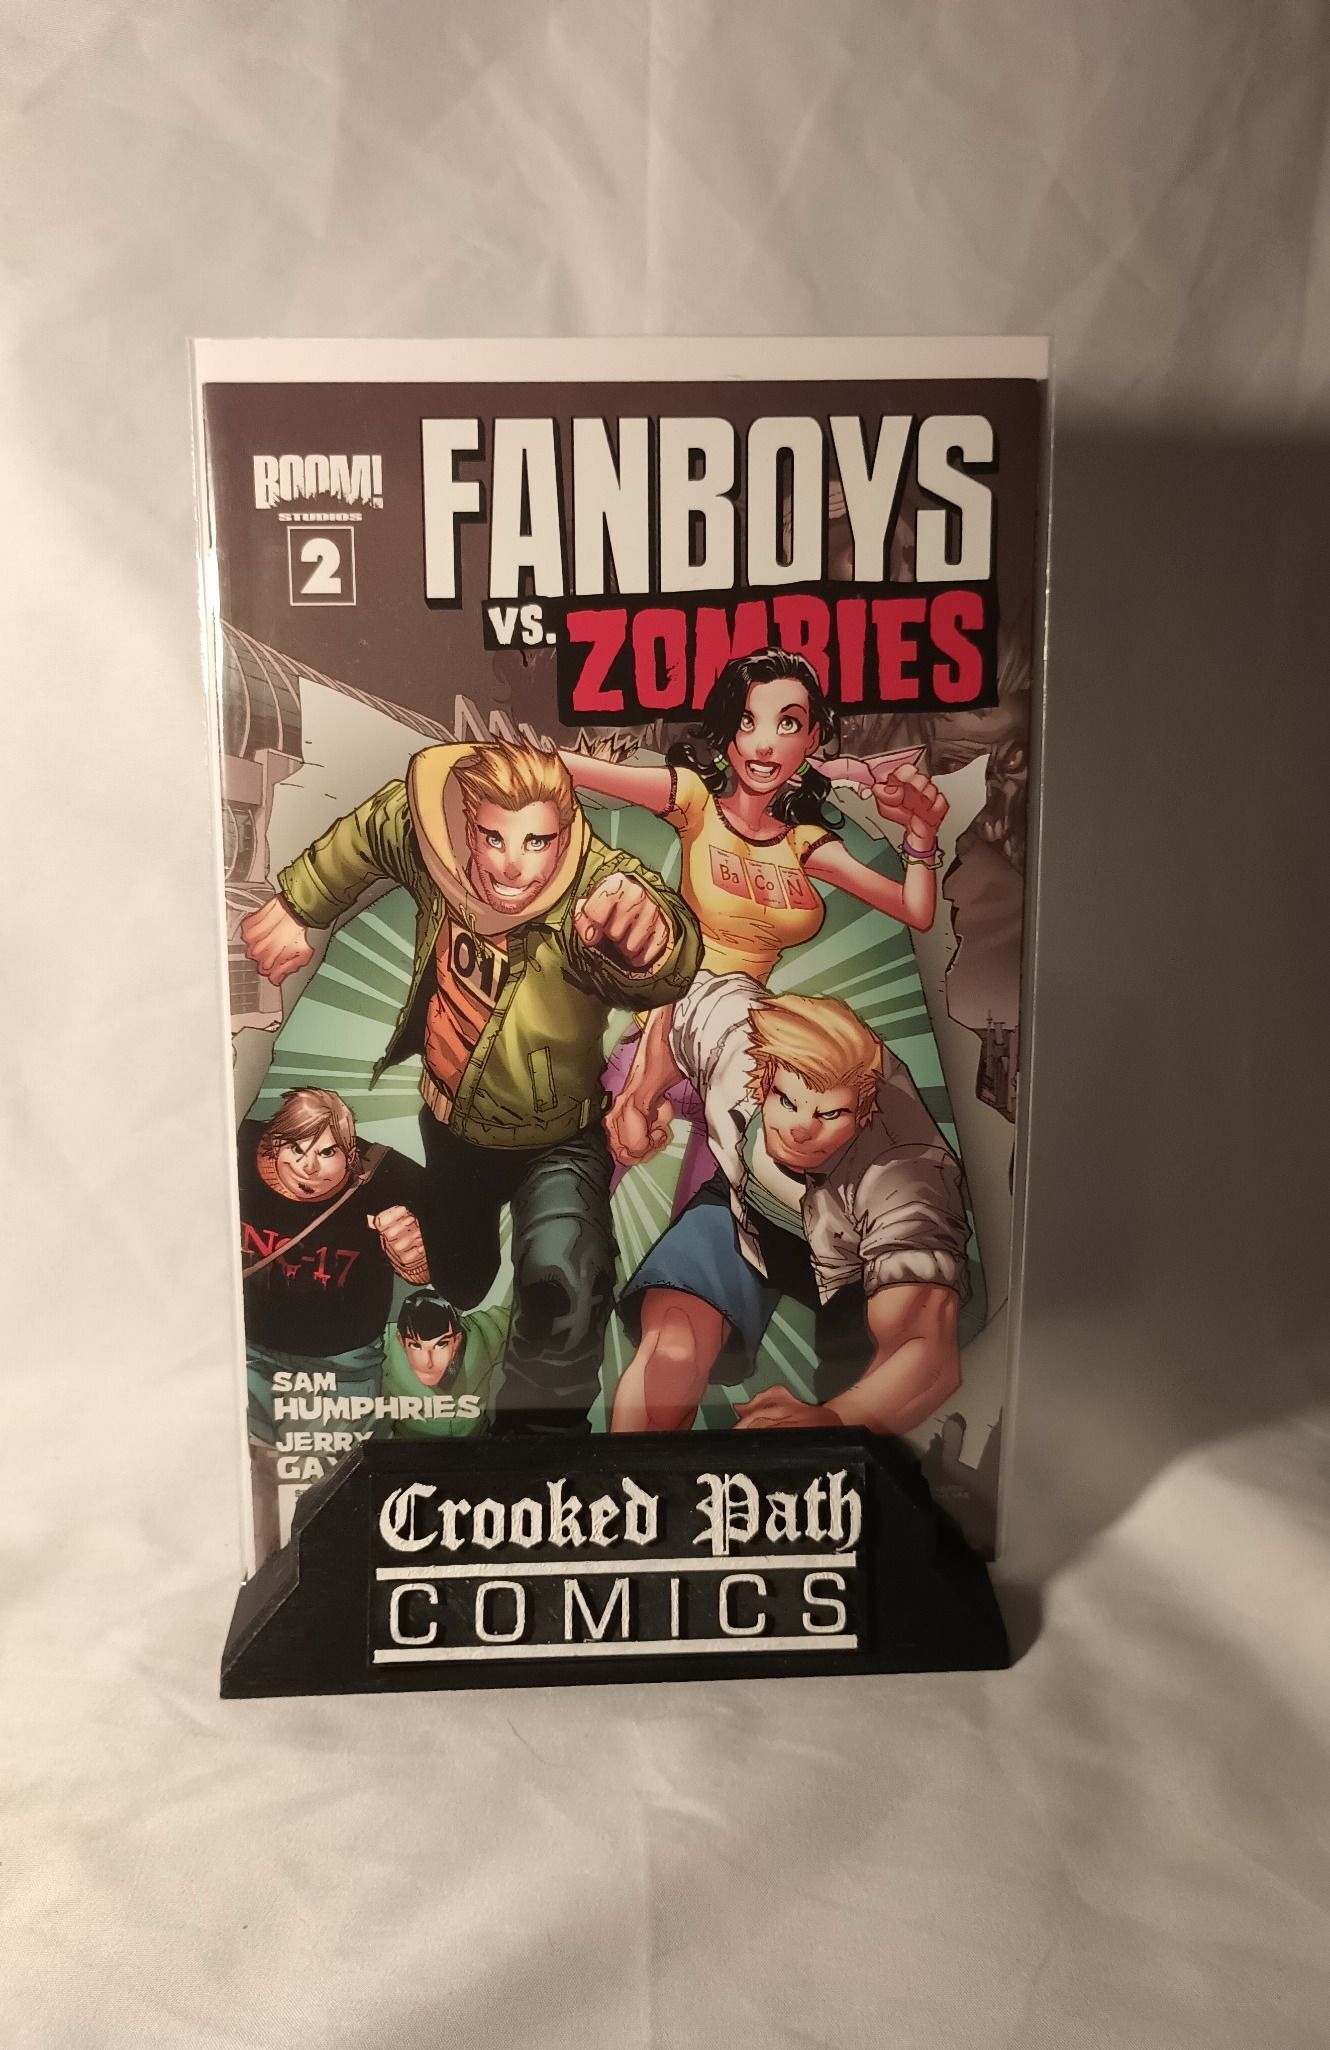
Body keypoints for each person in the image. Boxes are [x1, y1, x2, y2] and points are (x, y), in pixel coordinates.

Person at [240, 739, 701, 1434]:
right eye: (494, 838)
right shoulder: (436, 849)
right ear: (465, 829)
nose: (514, 865)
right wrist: (300, 901)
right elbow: (378, 825)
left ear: (565, 834)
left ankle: (537, 1445)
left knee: (565, 1278)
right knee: (461, 1280)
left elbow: (666, 956)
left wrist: (651, 936)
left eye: (538, 841)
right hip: (452, 1131)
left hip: (558, 1140)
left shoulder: (596, 892)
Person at [561, 647, 949, 1206]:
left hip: (743, 1057)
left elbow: (915, 909)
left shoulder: (804, 843)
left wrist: (921, 834)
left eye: (786, 723)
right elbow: (574, 769)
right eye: (747, 721)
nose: (765, 744)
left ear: (812, 739)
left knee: (720, 1228)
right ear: (727, 735)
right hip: (658, 1037)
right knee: (580, 1198)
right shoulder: (695, 801)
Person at [607, 973, 972, 1435]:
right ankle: (621, 1475)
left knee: (857, 1397)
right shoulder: (736, 1039)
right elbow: (675, 997)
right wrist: (640, 1096)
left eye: (830, 1113)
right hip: (743, 1212)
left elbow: (926, 1353)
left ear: (863, 1111)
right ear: (763, 1082)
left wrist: (833, 1420)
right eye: (787, 1101)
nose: (802, 1129)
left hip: (856, 1268)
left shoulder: (905, 1174)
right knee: (673, 1353)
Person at [237, 1087, 430, 1560]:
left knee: (337, 1492)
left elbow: (445, 1270)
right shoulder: (232, 1148)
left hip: (343, 1366)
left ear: (350, 1151)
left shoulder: (391, 1177)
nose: (308, 1166)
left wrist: (415, 1256)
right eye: (295, 1148)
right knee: (250, 1481)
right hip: (246, 1354)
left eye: (327, 1153)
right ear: (273, 1141)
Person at [382, 1287, 508, 1438]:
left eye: (441, 1344)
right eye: (415, 1345)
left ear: (457, 1340)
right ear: (401, 1341)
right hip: (409, 1449)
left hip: (476, 1446)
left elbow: (525, 1312)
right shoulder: (384, 1345)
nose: (428, 1362)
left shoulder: (483, 1332)